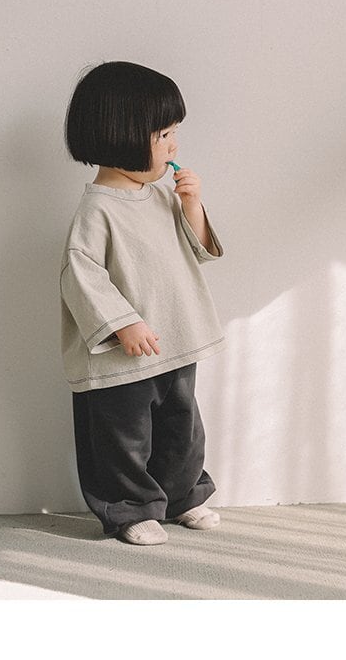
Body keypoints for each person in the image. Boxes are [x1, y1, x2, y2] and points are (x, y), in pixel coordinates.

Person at [59, 60, 226, 545]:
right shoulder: (96, 210)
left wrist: (191, 205)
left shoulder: (161, 198)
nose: (174, 145)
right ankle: (129, 509)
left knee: (181, 427)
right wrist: (122, 323)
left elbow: (199, 251)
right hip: (122, 353)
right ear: (121, 136)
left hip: (176, 339)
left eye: (175, 133)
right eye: (164, 134)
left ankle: (182, 496)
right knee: (122, 436)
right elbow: (80, 274)